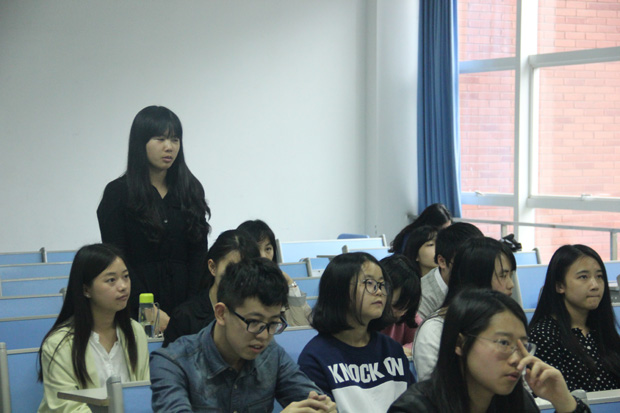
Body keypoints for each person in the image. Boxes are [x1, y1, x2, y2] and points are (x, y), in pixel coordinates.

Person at [150, 258, 336, 412]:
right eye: (254, 322)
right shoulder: (172, 363)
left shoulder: (271, 354)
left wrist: (323, 407)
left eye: (273, 323)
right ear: (221, 313)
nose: (264, 336)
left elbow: (316, 401)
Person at [97, 105, 210, 330]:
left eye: (175, 139)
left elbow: (199, 255)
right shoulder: (118, 193)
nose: (169, 147)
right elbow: (117, 258)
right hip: (135, 307)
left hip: (187, 308)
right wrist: (147, 308)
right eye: (160, 139)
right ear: (141, 143)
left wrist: (189, 310)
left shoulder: (191, 189)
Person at [389, 289, 589, 413]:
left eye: (523, 346)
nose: (517, 360)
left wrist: (565, 403)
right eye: (504, 343)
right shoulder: (414, 409)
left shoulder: (516, 401)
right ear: (459, 344)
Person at [38, 244, 149, 412]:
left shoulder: (135, 331)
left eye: (126, 277)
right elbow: (65, 407)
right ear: (86, 289)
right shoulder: (59, 344)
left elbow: (143, 394)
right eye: (111, 280)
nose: (123, 286)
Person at [298, 253, 413, 413]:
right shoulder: (316, 358)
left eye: (382, 284)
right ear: (339, 290)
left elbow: (414, 404)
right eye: (369, 283)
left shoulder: (392, 349)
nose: (379, 291)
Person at [414, 236, 517, 381]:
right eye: (503, 275)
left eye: (510, 275)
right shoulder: (436, 330)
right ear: (477, 279)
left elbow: (520, 384)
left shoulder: (508, 322)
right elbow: (436, 390)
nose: (511, 284)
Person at [529, 245, 620, 392]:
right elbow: (555, 395)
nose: (595, 285)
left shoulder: (602, 330)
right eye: (583, 277)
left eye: (599, 276)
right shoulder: (544, 335)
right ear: (560, 286)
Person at [163, 229, 259, 346]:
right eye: (231, 269)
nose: (239, 278)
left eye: (246, 271)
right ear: (213, 267)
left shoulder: (259, 315)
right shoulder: (185, 317)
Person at [237, 219, 312, 325]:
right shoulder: (235, 288)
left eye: (268, 249)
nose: (263, 256)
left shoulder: (278, 285)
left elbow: (301, 326)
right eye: (256, 250)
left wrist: (290, 283)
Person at [417, 222, 483, 320]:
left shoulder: (485, 279)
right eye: (465, 262)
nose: (474, 270)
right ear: (442, 261)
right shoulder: (422, 298)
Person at [379, 254, 422, 357]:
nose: (401, 313)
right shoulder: (360, 319)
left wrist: (404, 350)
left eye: (405, 308)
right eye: (394, 305)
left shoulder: (407, 315)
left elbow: (423, 341)